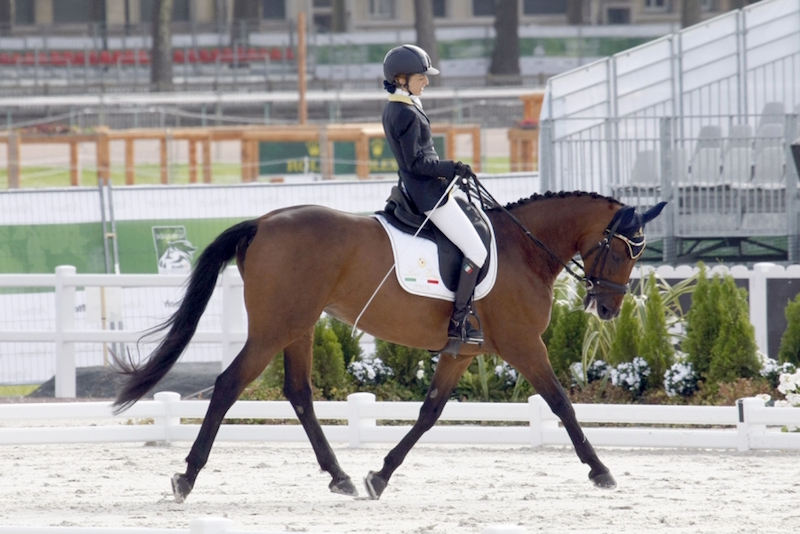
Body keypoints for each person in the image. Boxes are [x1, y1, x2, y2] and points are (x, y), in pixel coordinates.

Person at [381, 44, 487, 346]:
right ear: (401, 78)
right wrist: (451, 167)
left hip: (426, 188)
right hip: (428, 195)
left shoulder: (400, 106)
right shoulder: (405, 113)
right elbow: (415, 163)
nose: (426, 81)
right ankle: (459, 321)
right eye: (421, 77)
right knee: (477, 251)